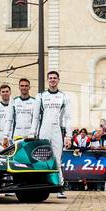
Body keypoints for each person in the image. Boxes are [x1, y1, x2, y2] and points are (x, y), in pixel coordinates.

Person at [38, 70, 73, 199]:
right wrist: (33, 133)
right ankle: (41, 186)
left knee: (57, 160)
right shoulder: (40, 96)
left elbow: (68, 118)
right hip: (43, 131)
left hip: (57, 130)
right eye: (50, 78)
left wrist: (68, 136)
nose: (52, 80)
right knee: (42, 159)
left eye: (55, 78)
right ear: (48, 80)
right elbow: (36, 117)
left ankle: (60, 186)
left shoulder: (64, 97)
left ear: (58, 80)